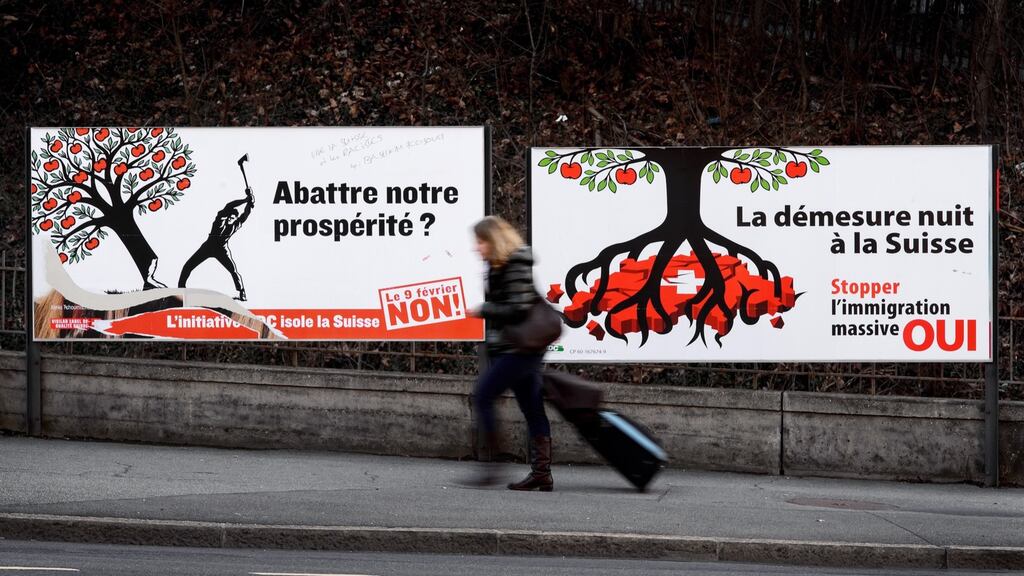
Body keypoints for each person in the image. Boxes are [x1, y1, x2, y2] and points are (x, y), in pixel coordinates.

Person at [468, 216, 553, 491]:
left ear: (493, 240)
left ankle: (493, 467)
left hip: (520, 348)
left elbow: (518, 308)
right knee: (531, 407)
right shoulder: (497, 265)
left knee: (483, 395)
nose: (476, 248)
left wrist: (484, 310)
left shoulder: (515, 263)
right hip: (516, 348)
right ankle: (542, 474)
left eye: (480, 242)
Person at [178, 187, 254, 301]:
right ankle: (180, 291)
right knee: (187, 266)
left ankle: (242, 293)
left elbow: (246, 214)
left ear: (235, 219)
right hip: (208, 247)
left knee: (233, 271)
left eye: (232, 218)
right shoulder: (220, 220)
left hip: (222, 250)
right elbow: (229, 206)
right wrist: (245, 199)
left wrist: (250, 202)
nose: (230, 219)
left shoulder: (235, 225)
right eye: (229, 217)